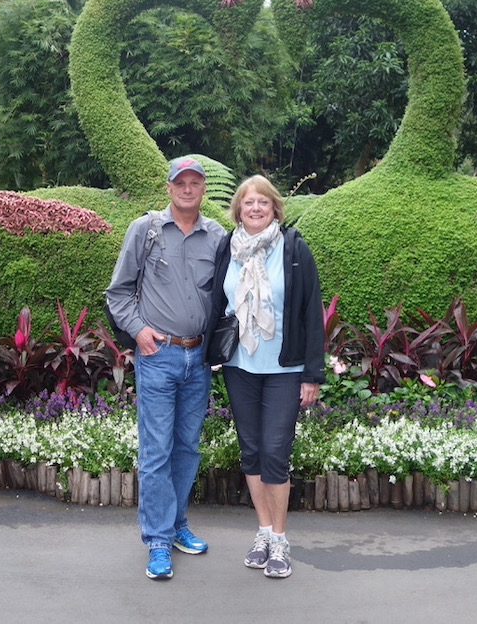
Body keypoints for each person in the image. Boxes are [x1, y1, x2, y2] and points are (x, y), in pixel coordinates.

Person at [106, 156, 226, 580]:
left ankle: (177, 526)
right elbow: (118, 293)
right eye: (181, 183)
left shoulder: (218, 237)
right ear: (169, 187)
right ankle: (158, 540)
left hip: (199, 358)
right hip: (159, 357)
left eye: (195, 183)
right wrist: (139, 331)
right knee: (157, 450)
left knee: (188, 447)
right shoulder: (146, 230)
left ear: (203, 189)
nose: (188, 189)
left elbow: (227, 296)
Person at [206, 175, 324, 579]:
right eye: (248, 202)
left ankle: (280, 539)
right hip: (240, 366)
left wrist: (312, 374)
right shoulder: (228, 248)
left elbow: (311, 312)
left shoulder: (294, 249)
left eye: (263, 202)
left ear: (275, 208)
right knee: (252, 450)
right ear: (238, 209)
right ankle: (263, 532)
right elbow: (216, 303)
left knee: (275, 451)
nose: (255, 208)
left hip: (284, 369)